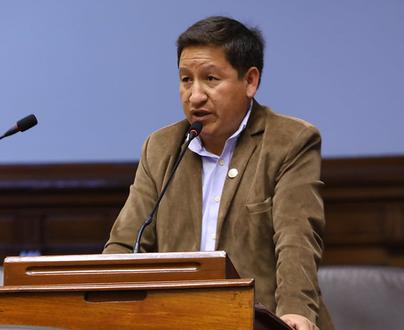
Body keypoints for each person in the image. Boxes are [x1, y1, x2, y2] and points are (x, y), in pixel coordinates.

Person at [103, 16, 334, 330]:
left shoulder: (289, 141)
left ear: (250, 81)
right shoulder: (161, 148)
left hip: (261, 322)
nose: (195, 96)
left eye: (210, 79)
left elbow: (296, 240)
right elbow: (124, 246)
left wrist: (296, 311)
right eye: (186, 80)